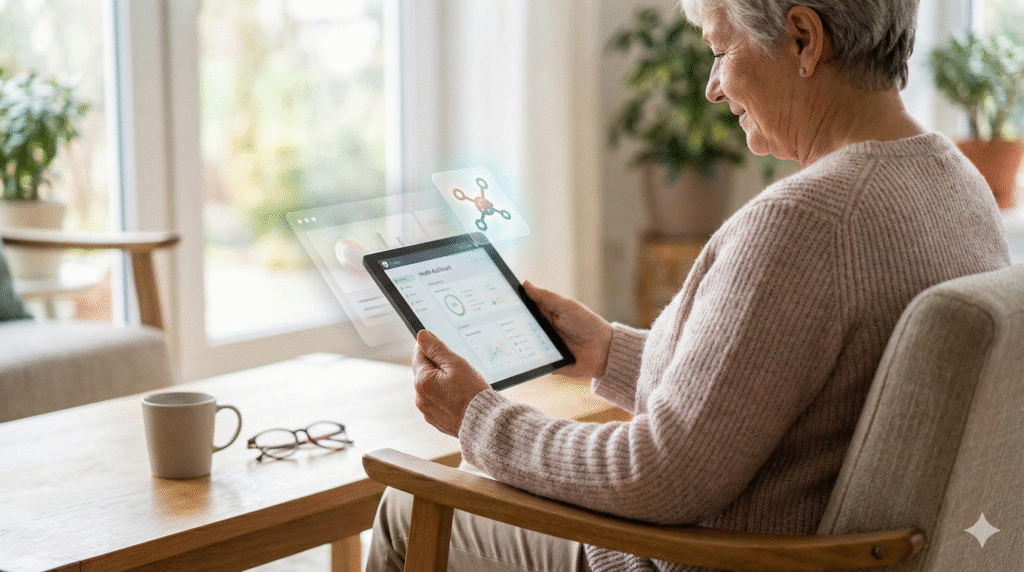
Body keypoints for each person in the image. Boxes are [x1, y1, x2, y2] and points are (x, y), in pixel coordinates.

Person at [368, 0, 1011, 570]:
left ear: (803, 40)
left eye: (721, 51)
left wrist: (479, 418)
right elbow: (794, 386)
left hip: (697, 560)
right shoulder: (957, 183)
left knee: (405, 506)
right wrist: (609, 352)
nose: (711, 88)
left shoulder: (805, 224)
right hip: (837, 552)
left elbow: (658, 477)